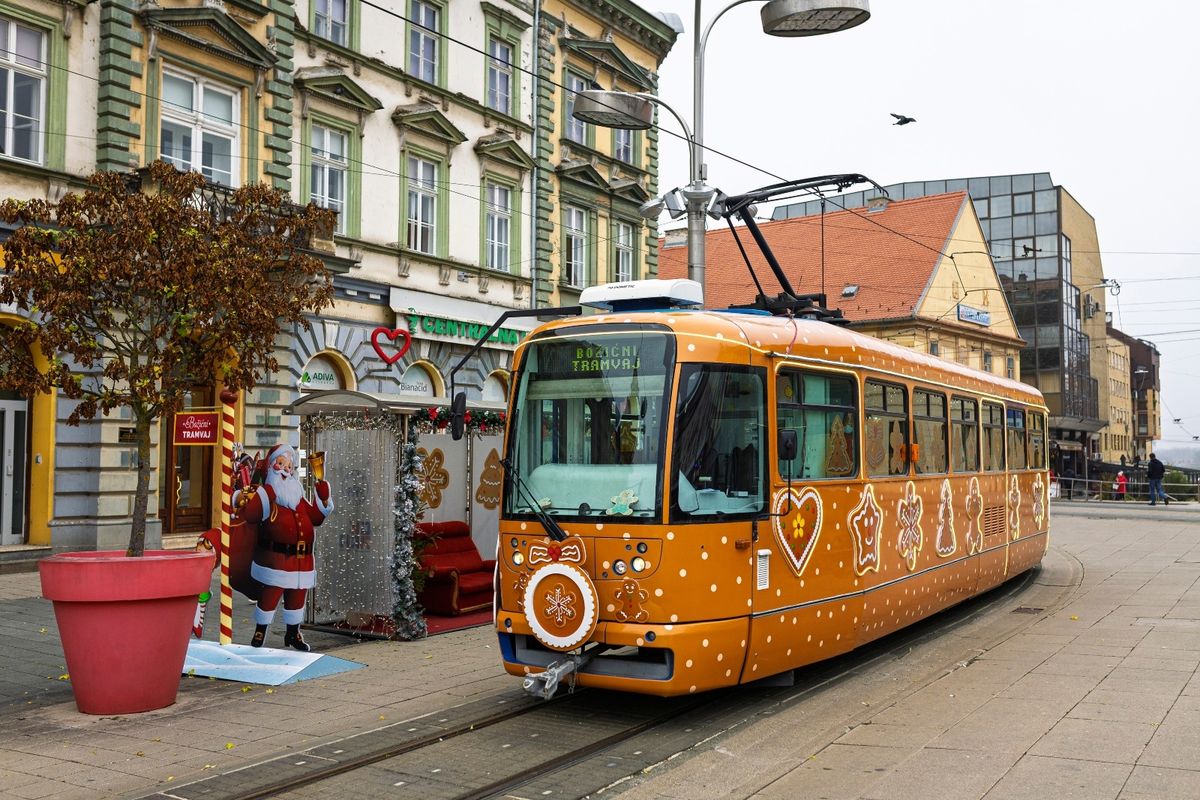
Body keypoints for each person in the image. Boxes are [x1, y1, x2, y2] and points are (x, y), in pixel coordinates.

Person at [234, 443, 334, 650]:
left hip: (302, 562)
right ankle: (260, 630)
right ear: (271, 466)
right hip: (275, 560)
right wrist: (266, 492)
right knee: (270, 595)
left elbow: (316, 517)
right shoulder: (269, 495)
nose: (286, 470)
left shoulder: (298, 498)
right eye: (281, 464)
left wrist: (323, 496)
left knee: (297, 597)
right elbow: (252, 515)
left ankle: (293, 634)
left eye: (289, 466)